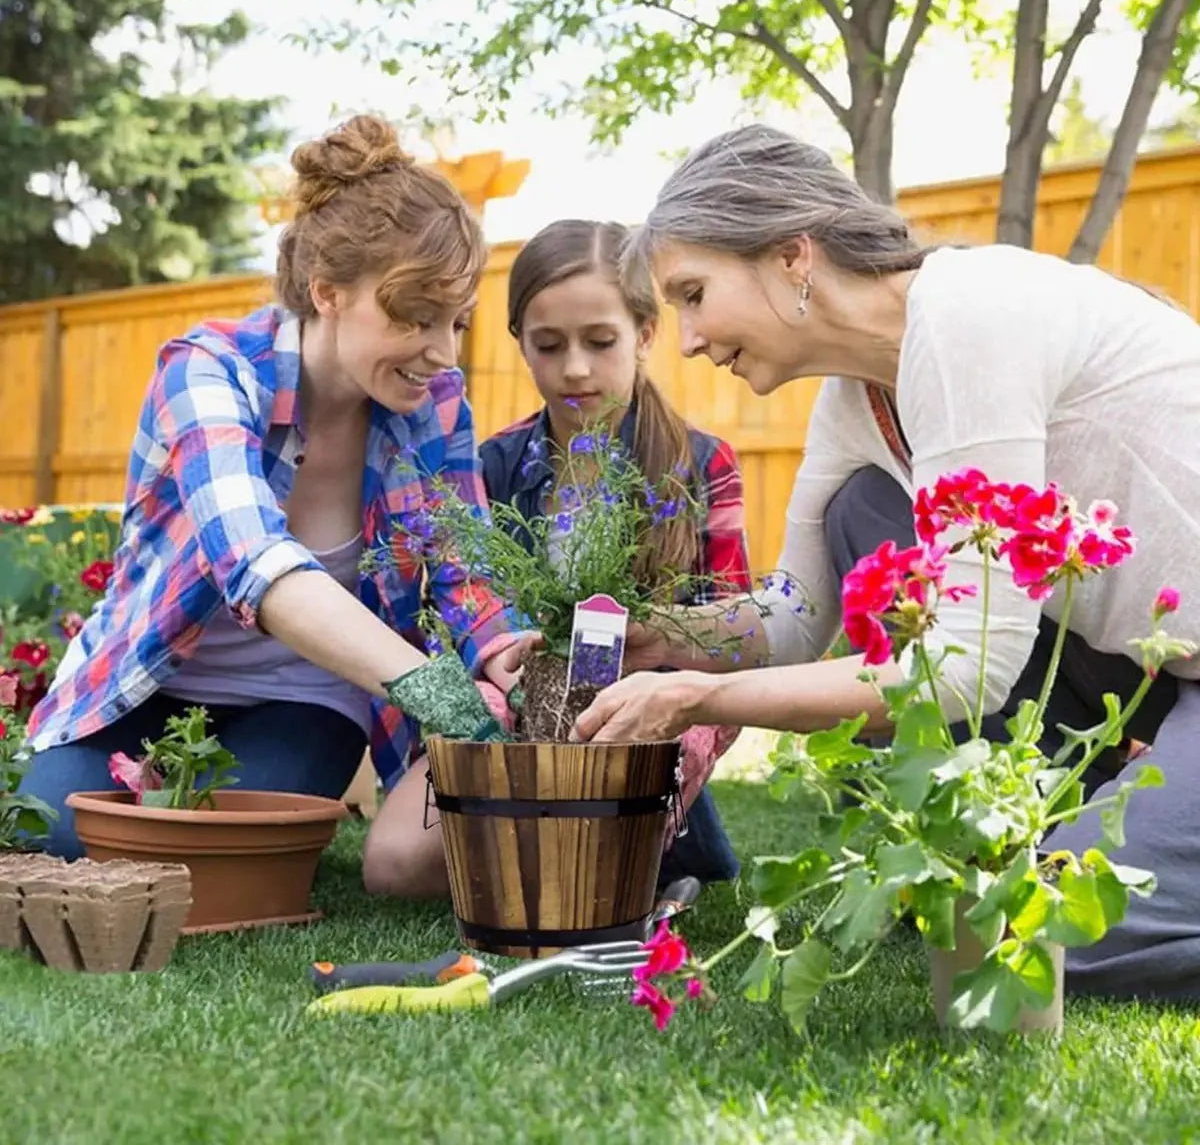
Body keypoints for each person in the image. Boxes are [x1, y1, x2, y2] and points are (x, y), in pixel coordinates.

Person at [571, 124, 1200, 1001]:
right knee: (864, 509)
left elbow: (969, 668)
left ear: (793, 256)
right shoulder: (857, 395)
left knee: (1054, 933)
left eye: (693, 294)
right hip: (1134, 660)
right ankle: (1063, 814)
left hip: (1167, 660)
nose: (684, 340)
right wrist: (661, 637)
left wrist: (703, 698)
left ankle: (1107, 828)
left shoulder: (970, 316)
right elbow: (792, 615)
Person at [20, 114, 532, 873]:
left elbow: (464, 569)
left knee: (220, 858)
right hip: (152, 679)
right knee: (53, 835)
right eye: (415, 317)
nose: (442, 352)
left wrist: (503, 649)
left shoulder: (437, 403)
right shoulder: (208, 371)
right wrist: (433, 687)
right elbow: (255, 565)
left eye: (456, 322)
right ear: (327, 292)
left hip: (305, 702)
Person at [475, 218, 753, 888]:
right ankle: (557, 855)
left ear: (646, 334)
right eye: (548, 345)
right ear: (521, 344)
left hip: (656, 697)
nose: (575, 368)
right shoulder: (496, 465)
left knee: (640, 754)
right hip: (530, 696)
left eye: (601, 342)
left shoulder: (701, 463)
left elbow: (737, 631)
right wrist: (513, 672)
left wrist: (651, 666)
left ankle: (609, 857)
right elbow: (478, 609)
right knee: (405, 850)